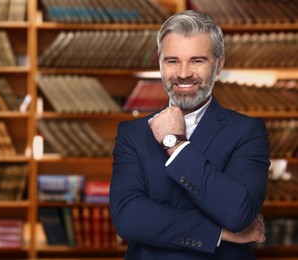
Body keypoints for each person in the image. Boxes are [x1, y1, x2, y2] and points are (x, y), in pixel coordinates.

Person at [109, 10, 270, 260]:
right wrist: (219, 233)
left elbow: (238, 211)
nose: (183, 73)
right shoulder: (132, 134)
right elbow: (128, 218)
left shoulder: (248, 132)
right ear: (159, 63)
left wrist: (175, 145)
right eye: (172, 61)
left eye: (197, 60)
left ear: (219, 65)